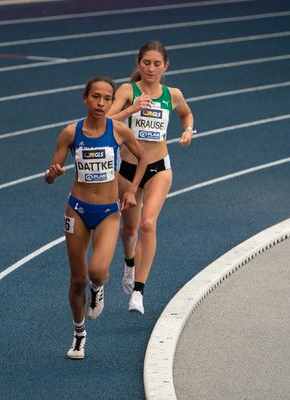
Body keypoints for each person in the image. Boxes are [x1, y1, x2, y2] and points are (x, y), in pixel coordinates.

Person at [44, 76, 147, 360]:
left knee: (98, 272)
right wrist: (51, 175)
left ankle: (97, 288)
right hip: (76, 210)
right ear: (85, 99)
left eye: (107, 98)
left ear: (112, 101)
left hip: (107, 212)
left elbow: (143, 159)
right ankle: (79, 335)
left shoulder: (119, 131)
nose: (101, 103)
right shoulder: (69, 133)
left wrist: (132, 192)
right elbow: (51, 173)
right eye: (96, 97)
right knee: (76, 280)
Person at [108, 40, 195, 315]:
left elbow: (186, 114)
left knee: (147, 224)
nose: (151, 68)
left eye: (157, 64)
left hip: (159, 166)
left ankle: (138, 292)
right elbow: (106, 123)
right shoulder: (126, 90)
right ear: (138, 64)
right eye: (146, 63)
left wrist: (188, 130)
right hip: (129, 168)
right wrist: (131, 109)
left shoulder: (173, 94)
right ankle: (129, 263)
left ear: (165, 66)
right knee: (129, 229)